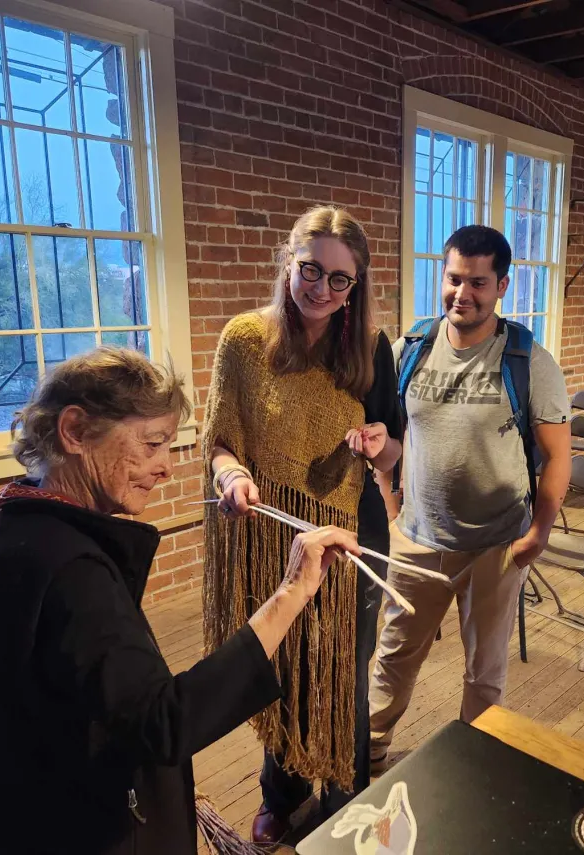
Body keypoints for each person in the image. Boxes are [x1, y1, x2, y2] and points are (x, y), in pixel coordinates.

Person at [0, 348, 361, 855]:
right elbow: (167, 722)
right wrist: (294, 591)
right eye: (152, 444)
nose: (164, 468)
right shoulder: (68, 568)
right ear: (74, 431)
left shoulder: (6, 527)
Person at [202, 206, 402, 843]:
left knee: (342, 666)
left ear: (356, 287)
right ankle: (282, 793)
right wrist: (231, 476)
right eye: (310, 269)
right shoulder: (243, 341)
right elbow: (218, 444)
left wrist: (378, 444)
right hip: (272, 532)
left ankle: (348, 802)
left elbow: (396, 447)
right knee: (283, 663)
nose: (322, 289)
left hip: (353, 530)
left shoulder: (370, 346)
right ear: (288, 261)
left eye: (340, 280)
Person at [368, 225, 572, 770]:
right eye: (454, 279)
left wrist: (540, 532)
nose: (463, 294)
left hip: (496, 545)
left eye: (478, 283)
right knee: (392, 657)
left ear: (502, 285)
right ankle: (366, 758)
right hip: (416, 538)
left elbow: (557, 457)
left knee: (484, 672)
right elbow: (388, 439)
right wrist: (391, 507)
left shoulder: (528, 360)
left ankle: (471, 771)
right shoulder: (408, 349)